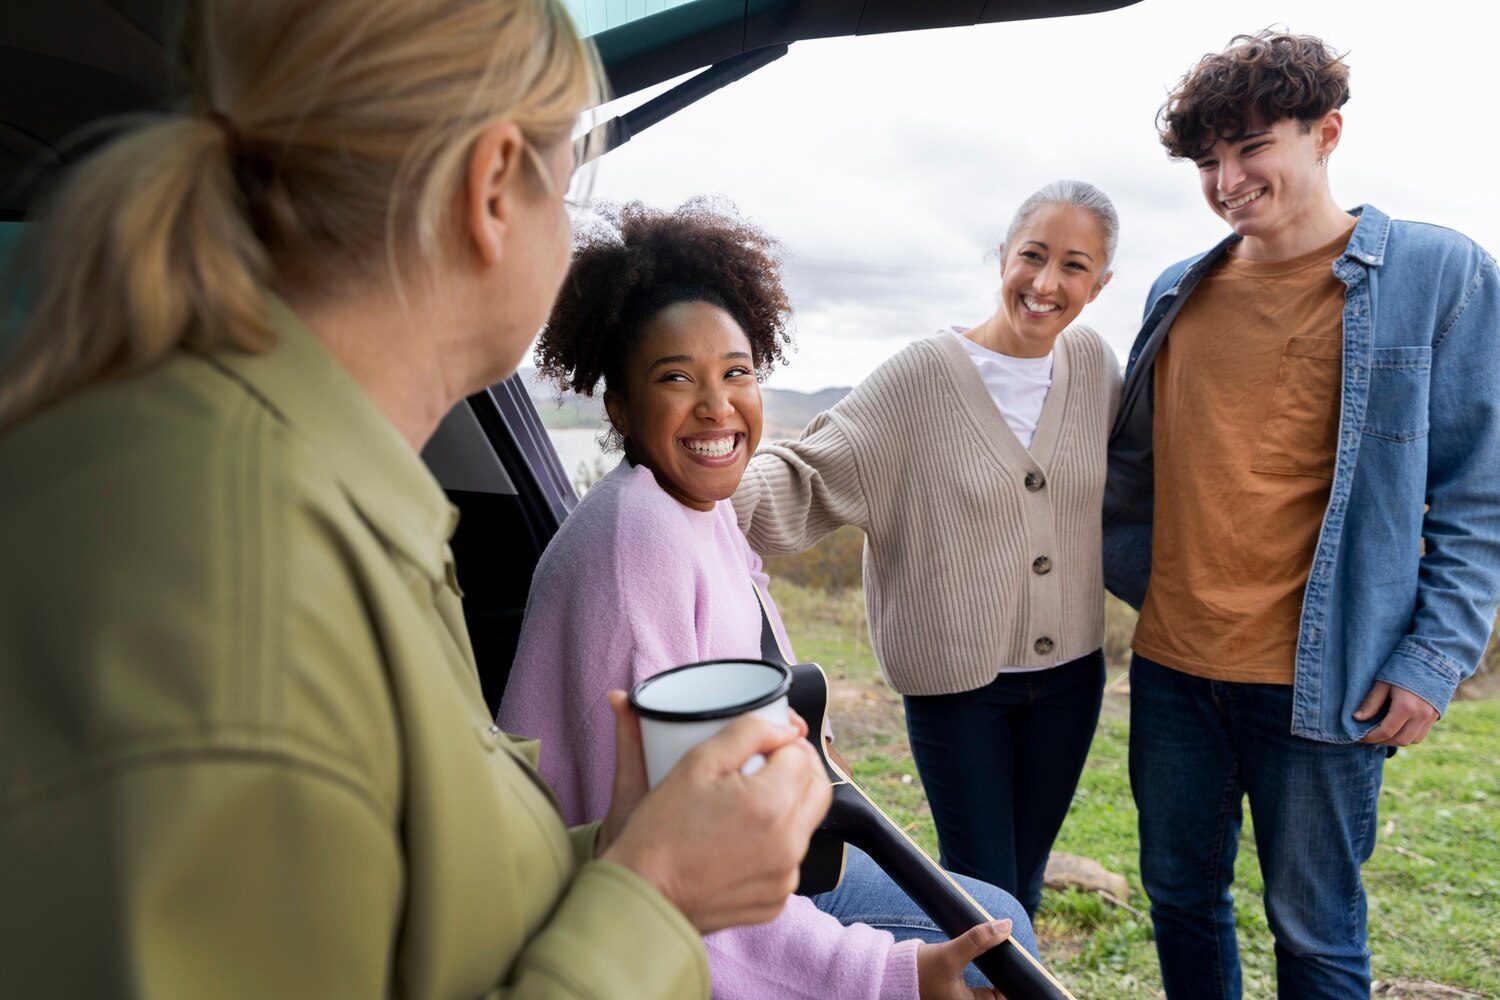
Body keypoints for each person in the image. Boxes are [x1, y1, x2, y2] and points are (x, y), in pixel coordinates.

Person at [0, 2, 836, 996]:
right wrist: (650, 899)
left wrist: (617, 854)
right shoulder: (237, 594)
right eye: (564, 191)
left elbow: (406, 903)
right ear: (492, 190)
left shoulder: (312, 503)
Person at [498, 199, 1031, 1000]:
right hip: (633, 909)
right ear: (618, 406)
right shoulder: (638, 542)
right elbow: (679, 871)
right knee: (999, 932)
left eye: (737, 372)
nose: (718, 405)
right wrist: (890, 976)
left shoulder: (694, 513)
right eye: (676, 377)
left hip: (755, 852)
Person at [1104, 31, 1500, 1000]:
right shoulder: (1176, 291)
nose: (1227, 178)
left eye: (1250, 147)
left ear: (1326, 132)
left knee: (1315, 932)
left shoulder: (1438, 273)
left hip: (1326, 685)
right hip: (1172, 667)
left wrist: (1435, 656)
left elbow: (1477, 488)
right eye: (1208, 161)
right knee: (1179, 897)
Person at [729, 181, 1123, 918]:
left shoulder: (1096, 366)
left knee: (1023, 883)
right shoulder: (922, 377)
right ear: (1002, 257)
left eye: (1074, 266)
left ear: (1100, 284)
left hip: (1071, 680)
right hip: (958, 688)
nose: (1046, 283)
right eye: (1031, 256)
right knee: (981, 897)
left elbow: (1143, 475)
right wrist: (690, 500)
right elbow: (809, 472)